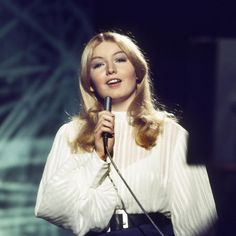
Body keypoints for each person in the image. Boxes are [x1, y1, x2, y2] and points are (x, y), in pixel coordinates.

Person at [35, 31, 218, 236]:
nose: (111, 70)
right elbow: (53, 207)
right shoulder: (70, 134)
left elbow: (198, 221)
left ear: (138, 71)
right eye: (98, 65)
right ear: (90, 83)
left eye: (120, 60)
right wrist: (98, 157)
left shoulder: (171, 135)